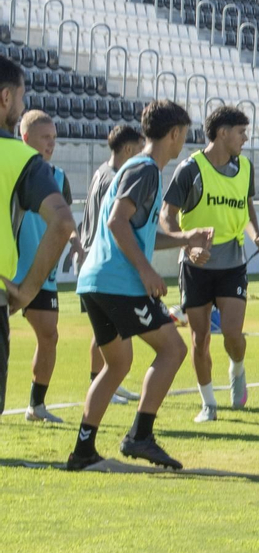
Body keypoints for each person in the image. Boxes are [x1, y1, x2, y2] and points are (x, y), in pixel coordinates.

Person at [67, 100, 213, 471]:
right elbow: (118, 222)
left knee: (117, 365)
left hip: (96, 281)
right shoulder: (147, 169)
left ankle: (83, 450)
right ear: (175, 134)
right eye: (185, 135)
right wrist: (147, 271)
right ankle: (140, 437)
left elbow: (136, 231)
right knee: (173, 350)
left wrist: (184, 238)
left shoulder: (139, 168)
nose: (185, 142)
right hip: (119, 283)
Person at [160, 104, 259, 422]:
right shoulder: (190, 169)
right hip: (195, 266)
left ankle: (237, 369)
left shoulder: (245, 168)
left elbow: (246, 209)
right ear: (222, 133)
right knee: (199, 339)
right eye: (241, 132)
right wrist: (188, 245)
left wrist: (256, 237)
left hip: (232, 263)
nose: (245, 138)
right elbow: (166, 217)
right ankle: (208, 403)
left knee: (233, 333)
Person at [0, 58, 74, 423]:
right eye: (20, 97)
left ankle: (37, 404)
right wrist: (26, 290)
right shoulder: (20, 158)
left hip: (28, 277)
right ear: (5, 98)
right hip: (11, 283)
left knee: (50, 336)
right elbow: (62, 222)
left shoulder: (50, 171)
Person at [16, 110, 84, 423]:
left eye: (54, 139)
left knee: (49, 337)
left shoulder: (57, 177)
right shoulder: (10, 169)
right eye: (45, 138)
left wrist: (76, 243)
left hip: (42, 274)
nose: (51, 145)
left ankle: (36, 406)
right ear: (25, 137)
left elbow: (66, 219)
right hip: (9, 270)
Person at [81, 124, 145, 407]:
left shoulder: (101, 172)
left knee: (106, 329)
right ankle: (103, 384)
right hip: (101, 259)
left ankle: (107, 383)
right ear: (129, 150)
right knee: (107, 329)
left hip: (91, 255)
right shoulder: (117, 178)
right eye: (140, 150)